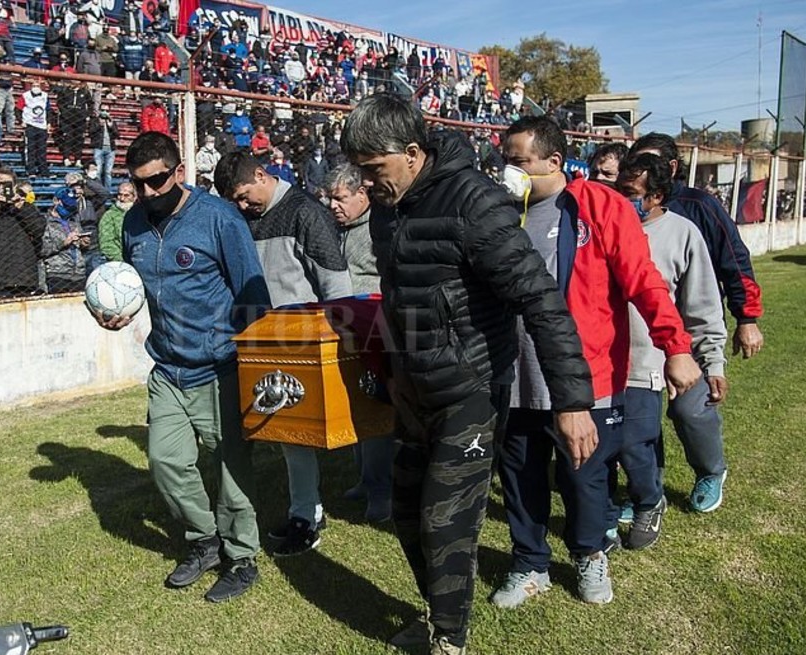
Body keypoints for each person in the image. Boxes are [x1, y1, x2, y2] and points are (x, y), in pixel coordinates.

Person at [339, 95, 595, 655]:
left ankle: (449, 639)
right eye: (358, 170)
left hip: (473, 390)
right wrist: (393, 366)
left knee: (443, 520)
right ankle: (437, 612)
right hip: (414, 388)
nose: (365, 183)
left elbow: (542, 304)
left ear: (411, 154)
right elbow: (399, 291)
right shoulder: (387, 205)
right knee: (407, 514)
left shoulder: (476, 202)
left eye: (373, 170)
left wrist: (571, 402)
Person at [489, 117, 697, 613]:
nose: (509, 172)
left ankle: (589, 554)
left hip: (587, 377)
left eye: (519, 161)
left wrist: (677, 345)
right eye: (505, 161)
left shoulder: (599, 206)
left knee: (585, 477)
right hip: (513, 375)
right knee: (520, 475)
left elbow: (643, 280)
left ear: (554, 162)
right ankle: (530, 561)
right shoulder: (497, 213)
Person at [90, 131, 269, 603]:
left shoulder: (219, 219)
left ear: (179, 172)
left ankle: (242, 557)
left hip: (220, 367)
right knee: (166, 461)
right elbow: (126, 281)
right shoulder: (132, 224)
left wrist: (249, 360)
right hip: (167, 367)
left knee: (231, 469)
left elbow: (254, 296)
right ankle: (204, 541)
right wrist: (114, 312)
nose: (148, 193)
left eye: (157, 181)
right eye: (139, 184)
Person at [214, 151, 353, 559]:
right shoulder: (241, 217)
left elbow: (334, 279)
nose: (242, 205)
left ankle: (305, 518)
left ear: (262, 174)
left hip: (301, 344)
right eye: (234, 201)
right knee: (277, 430)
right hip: (259, 342)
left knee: (296, 435)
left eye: (244, 195)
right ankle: (304, 511)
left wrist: (341, 339)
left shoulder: (305, 213)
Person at [627, 133, 764, 513]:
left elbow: (733, 261)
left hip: (685, 334)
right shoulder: (616, 221)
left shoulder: (698, 208)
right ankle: (647, 493)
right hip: (637, 343)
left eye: (650, 165)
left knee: (689, 409)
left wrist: (746, 317)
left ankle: (709, 469)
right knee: (639, 420)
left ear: (669, 171)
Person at [613, 153, 727, 550]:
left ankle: (657, 498)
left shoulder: (682, 234)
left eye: (630, 192)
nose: (620, 197)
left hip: (650, 361)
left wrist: (711, 361)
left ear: (657, 196)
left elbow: (702, 304)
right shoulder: (603, 225)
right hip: (603, 358)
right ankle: (645, 490)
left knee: (636, 437)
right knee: (623, 442)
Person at [324, 163, 391, 522]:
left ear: (363, 195)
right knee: (354, 406)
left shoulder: (380, 227)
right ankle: (365, 480)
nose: (334, 205)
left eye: (341, 198)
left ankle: (382, 492)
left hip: (377, 330)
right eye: (330, 198)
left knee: (376, 411)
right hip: (346, 329)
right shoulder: (339, 230)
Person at [0, 170, 47, 298]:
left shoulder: (27, 208)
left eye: (7, 184)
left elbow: (38, 230)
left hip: (24, 275)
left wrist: (21, 207)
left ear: (14, 186)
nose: (3, 187)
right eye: (0, 184)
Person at [20, 80, 50, 178]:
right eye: (34, 85)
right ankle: (31, 171)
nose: (36, 87)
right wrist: (22, 121)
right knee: (30, 149)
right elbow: (18, 109)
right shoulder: (25, 96)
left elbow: (48, 110)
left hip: (42, 126)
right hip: (30, 125)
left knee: (42, 150)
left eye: (38, 85)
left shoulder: (45, 96)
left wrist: (49, 123)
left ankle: (44, 171)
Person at [98, 182, 135, 262]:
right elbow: (106, 243)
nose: (122, 198)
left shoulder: (140, 214)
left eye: (126, 195)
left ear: (134, 197)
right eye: (119, 194)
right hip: (119, 263)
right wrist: (123, 261)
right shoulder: (109, 215)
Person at [89, 110, 120, 189]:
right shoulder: (95, 121)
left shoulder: (112, 122)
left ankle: (107, 191)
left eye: (107, 111)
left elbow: (117, 135)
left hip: (110, 149)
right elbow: (90, 132)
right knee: (98, 171)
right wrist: (99, 125)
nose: (105, 112)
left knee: (108, 172)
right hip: (99, 148)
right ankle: (99, 190)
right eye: (103, 110)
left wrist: (111, 126)